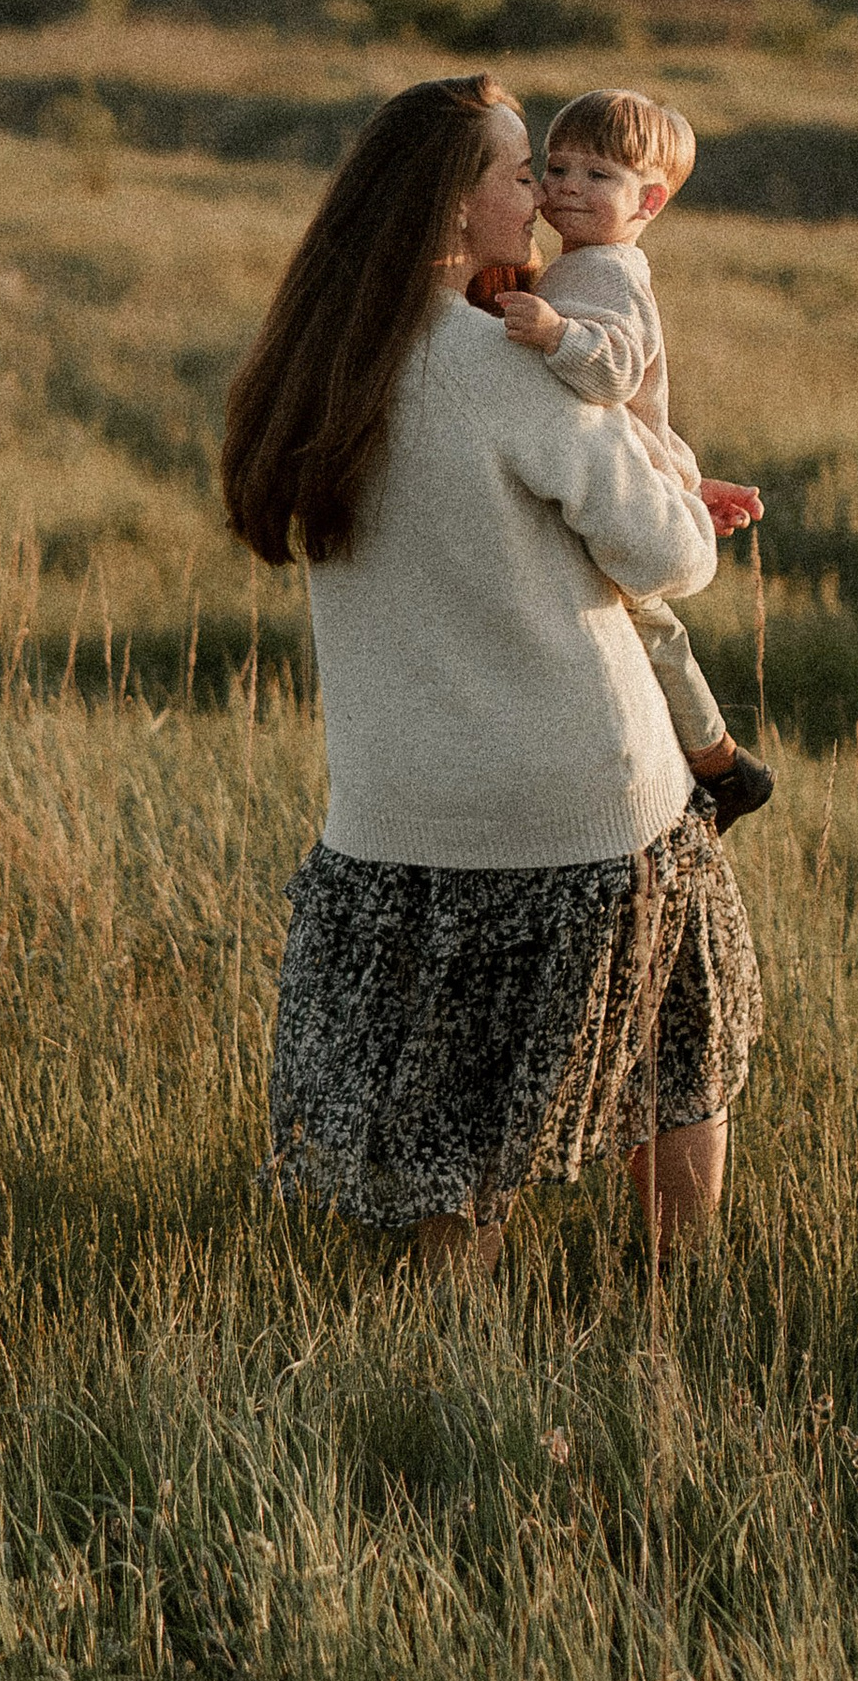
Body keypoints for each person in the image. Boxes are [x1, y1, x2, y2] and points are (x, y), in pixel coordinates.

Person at [219, 74, 763, 1272]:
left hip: (394, 818)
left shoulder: (313, 365)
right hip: (581, 807)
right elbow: (672, 558)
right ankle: (671, 1312)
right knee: (675, 1058)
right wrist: (666, 472)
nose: (546, 192)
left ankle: (440, 1375)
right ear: (454, 206)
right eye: (521, 172)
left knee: (445, 1133)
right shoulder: (501, 363)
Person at [487, 86, 772, 829]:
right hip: (642, 465)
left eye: (599, 176)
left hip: (637, 481)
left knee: (651, 629)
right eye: (558, 167)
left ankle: (720, 762)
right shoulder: (577, 262)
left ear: (648, 201)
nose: (569, 187)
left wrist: (555, 335)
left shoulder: (612, 272)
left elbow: (615, 373)